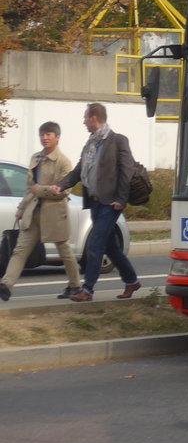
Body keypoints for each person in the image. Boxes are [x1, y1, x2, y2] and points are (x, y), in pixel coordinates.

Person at [51, 103, 140, 302]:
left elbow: (127, 171)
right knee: (111, 247)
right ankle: (132, 280)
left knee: (95, 244)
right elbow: (78, 171)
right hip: (94, 203)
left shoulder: (117, 141)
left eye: (85, 118)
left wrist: (121, 199)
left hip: (110, 203)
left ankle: (88, 290)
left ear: (93, 118)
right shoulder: (90, 144)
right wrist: (61, 185)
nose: (83, 122)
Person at [0, 121, 83, 302]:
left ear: (57, 137)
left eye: (49, 134)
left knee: (64, 251)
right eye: (42, 134)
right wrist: (21, 208)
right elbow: (29, 188)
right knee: (20, 249)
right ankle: (6, 285)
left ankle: (75, 285)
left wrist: (40, 190)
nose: (44, 138)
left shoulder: (63, 162)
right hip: (33, 212)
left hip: (54, 214)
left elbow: (64, 190)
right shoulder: (36, 158)